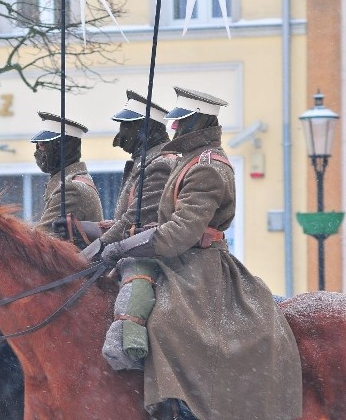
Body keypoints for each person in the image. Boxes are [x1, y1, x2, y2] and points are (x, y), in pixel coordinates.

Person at [101, 87, 303, 420]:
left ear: (198, 123)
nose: (175, 128)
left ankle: (186, 408)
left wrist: (124, 246)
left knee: (166, 321)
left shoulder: (207, 168)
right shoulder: (187, 160)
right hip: (177, 262)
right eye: (175, 122)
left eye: (182, 122)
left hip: (199, 265)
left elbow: (180, 234)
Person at [65, 91, 176, 369]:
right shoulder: (144, 163)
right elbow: (126, 220)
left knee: (131, 299)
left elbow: (138, 222)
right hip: (130, 248)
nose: (119, 137)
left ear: (144, 129)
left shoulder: (159, 165)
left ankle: (132, 356)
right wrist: (92, 230)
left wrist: (101, 246)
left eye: (125, 128)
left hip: (152, 256)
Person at [32, 111, 103, 247]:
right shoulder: (73, 181)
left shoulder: (71, 189)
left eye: (42, 146)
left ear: (60, 148)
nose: (37, 153)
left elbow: (38, 241)